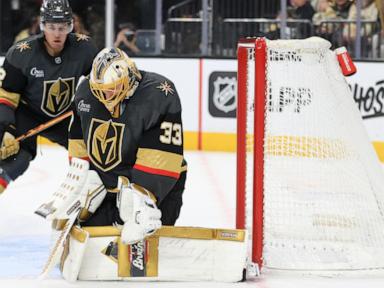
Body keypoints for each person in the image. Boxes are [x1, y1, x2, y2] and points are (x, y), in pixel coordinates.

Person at [67, 47, 187, 231]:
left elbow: (161, 159)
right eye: (100, 90)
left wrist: (140, 199)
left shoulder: (159, 95)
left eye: (111, 89)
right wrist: (81, 180)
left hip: (156, 184)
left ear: (128, 77)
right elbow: (78, 141)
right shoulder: (86, 92)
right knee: (91, 230)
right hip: (107, 184)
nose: (104, 96)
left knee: (140, 226)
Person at [0, 0, 98, 194]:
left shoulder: (84, 49)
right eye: (52, 27)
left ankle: (93, 198)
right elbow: (6, 95)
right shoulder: (22, 53)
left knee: (92, 152)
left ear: (71, 26)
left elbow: (99, 83)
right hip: (26, 113)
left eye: (63, 27)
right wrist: (7, 128)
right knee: (16, 159)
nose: (57, 33)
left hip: (62, 116)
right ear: (42, 25)